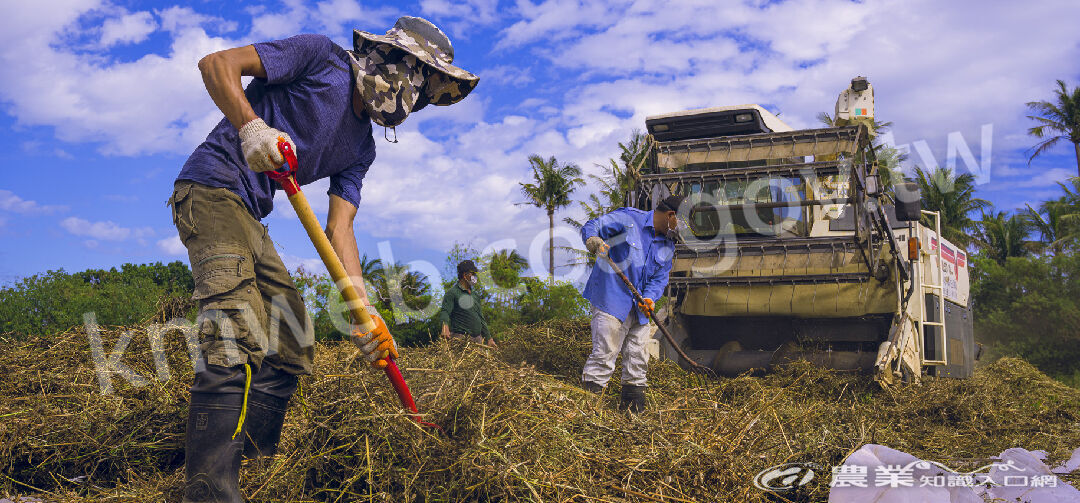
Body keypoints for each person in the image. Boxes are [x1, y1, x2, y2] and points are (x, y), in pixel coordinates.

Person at [169, 16, 477, 503]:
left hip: (251, 211)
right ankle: (208, 493)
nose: (413, 100)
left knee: (294, 338)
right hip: (210, 189)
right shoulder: (319, 58)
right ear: (393, 62)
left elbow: (340, 229)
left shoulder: (361, 149)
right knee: (235, 331)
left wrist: (364, 312)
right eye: (417, 82)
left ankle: (253, 468)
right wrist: (252, 129)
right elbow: (216, 64)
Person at [579, 195, 684, 413]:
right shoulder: (628, 219)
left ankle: (632, 415)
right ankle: (587, 412)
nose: (682, 231)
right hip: (611, 298)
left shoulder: (668, 246)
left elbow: (659, 279)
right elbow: (593, 225)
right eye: (682, 224)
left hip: (640, 309)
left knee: (638, 361)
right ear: (671, 216)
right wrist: (593, 240)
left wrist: (649, 298)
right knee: (604, 355)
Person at [439, 260, 496, 347]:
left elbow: (481, 318)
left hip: (478, 340)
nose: (475, 276)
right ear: (465, 275)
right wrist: (445, 326)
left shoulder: (475, 295)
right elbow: (445, 311)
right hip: (461, 339)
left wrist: (489, 338)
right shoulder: (453, 293)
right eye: (473, 274)